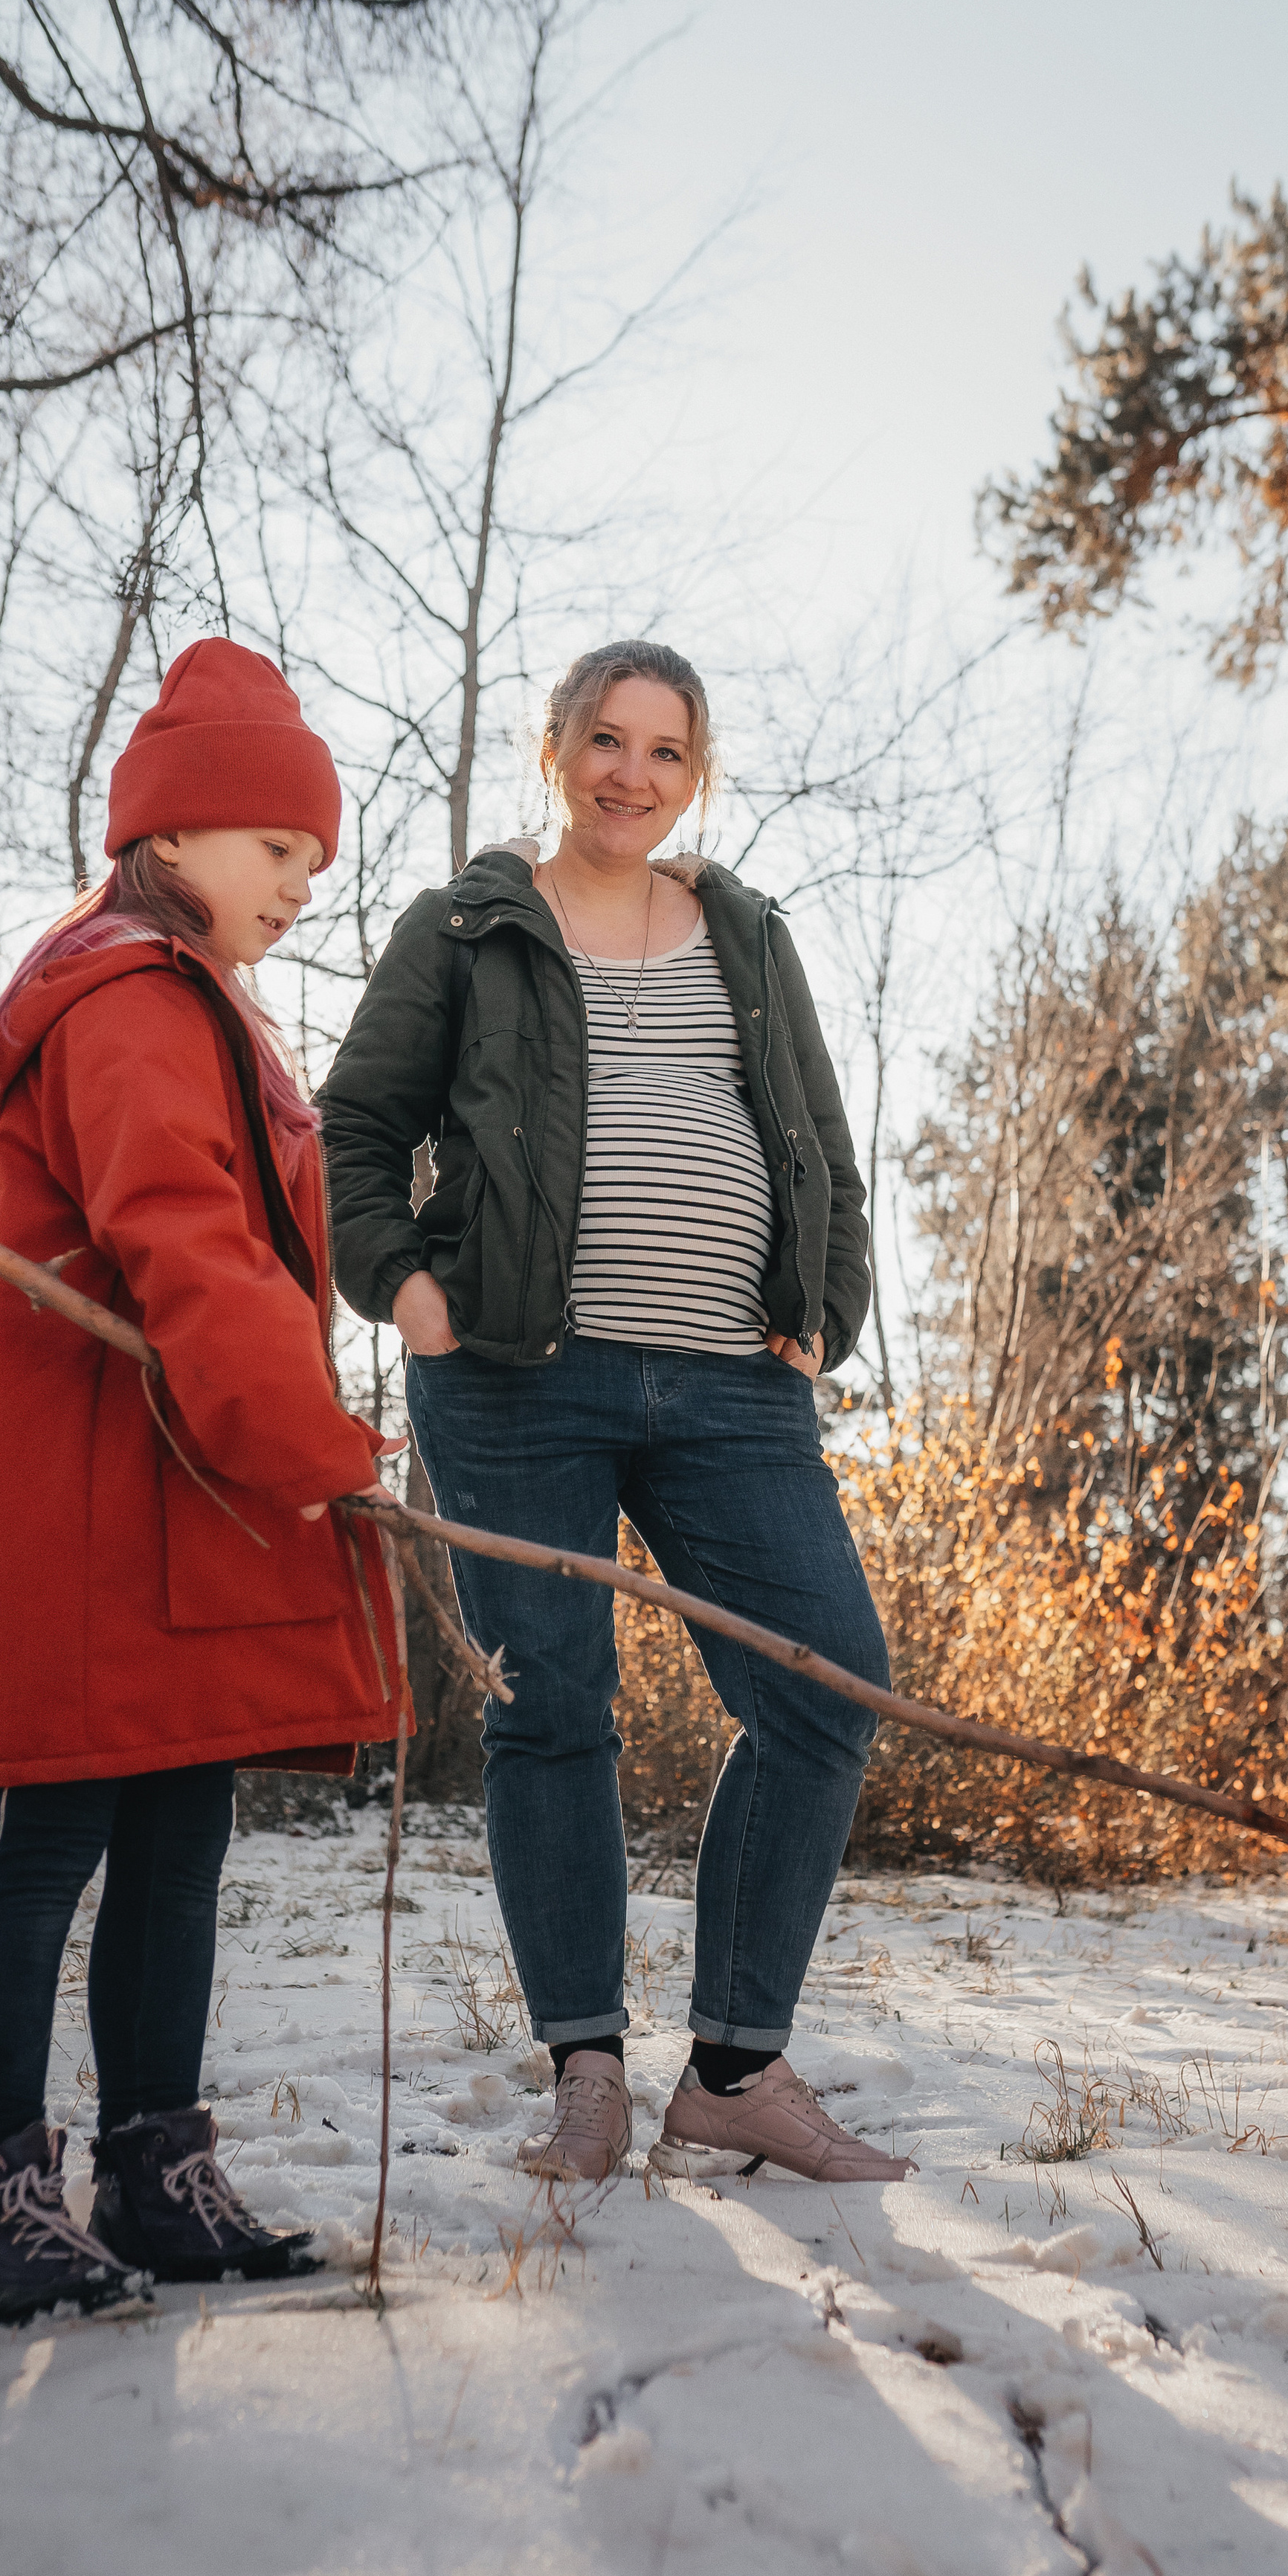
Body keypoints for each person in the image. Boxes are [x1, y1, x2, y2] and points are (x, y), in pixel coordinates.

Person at [323, 637, 912, 2187]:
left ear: (692, 775)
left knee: (826, 1683)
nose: (627, 773)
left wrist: (822, 1314)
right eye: (602, 739)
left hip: (732, 1385)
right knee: (550, 1710)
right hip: (515, 1382)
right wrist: (403, 1287)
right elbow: (357, 1125)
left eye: (661, 750)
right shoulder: (470, 924)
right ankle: (584, 2072)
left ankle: (731, 2068)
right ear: (555, 748)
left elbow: (821, 1149)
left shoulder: (746, 932)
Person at [0, 639, 408, 2322]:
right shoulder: (125, 998)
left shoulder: (198, 1006)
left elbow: (251, 1257)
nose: (299, 891)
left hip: (182, 1496)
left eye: (315, 864)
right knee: (45, 1837)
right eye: (278, 851)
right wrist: (314, 1450)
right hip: (85, 1493)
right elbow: (179, 1238)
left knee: (180, 1836)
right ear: (172, 837)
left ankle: (152, 2169)